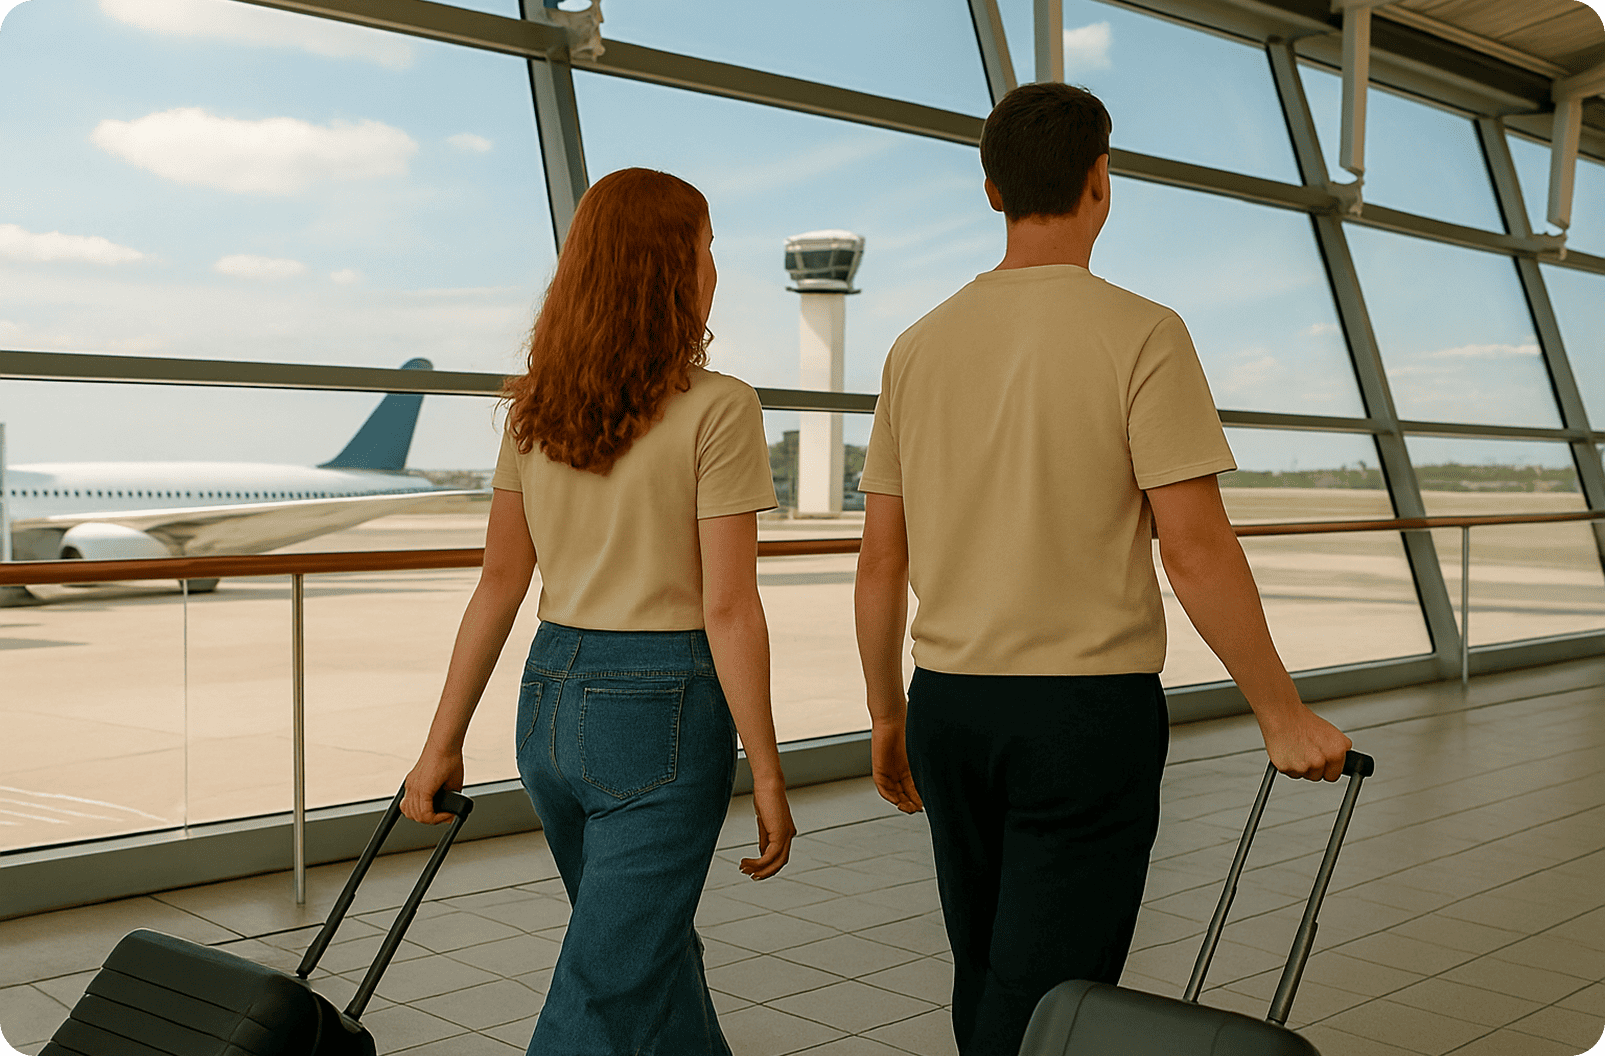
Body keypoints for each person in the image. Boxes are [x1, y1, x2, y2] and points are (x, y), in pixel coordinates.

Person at [852, 83, 1354, 1056]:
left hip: (950, 704)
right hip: (1082, 713)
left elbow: (881, 557)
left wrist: (887, 713)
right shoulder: (1142, 332)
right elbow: (1194, 546)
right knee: (1052, 993)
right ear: (1100, 182)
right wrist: (1280, 712)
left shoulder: (917, 347)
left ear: (991, 190)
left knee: (984, 968)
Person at [400, 166, 796, 1056]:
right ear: (672, 268)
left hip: (548, 704)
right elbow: (730, 607)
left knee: (646, 955)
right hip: (659, 714)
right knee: (606, 992)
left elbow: (498, 583)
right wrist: (768, 773)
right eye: (707, 248)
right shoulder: (719, 407)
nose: (716, 268)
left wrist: (441, 743)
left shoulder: (533, 408)